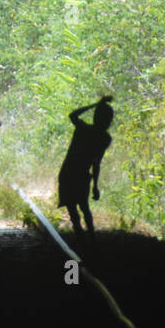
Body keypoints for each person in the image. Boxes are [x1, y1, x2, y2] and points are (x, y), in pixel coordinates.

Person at [58, 95, 113, 238]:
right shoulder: (105, 138)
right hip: (82, 174)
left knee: (72, 206)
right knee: (84, 206)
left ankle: (80, 234)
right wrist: (95, 185)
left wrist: (94, 104)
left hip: (69, 172)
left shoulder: (83, 128)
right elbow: (97, 163)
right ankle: (91, 236)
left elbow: (73, 115)